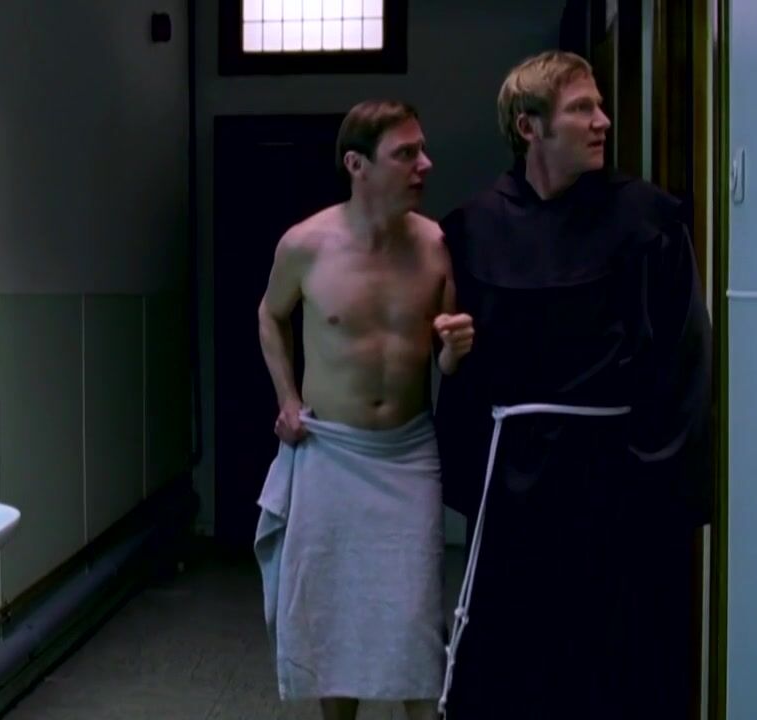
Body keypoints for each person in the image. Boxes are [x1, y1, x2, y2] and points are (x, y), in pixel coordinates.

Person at [433, 50, 713, 719]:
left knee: (615, 662)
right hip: (514, 485)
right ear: (529, 127)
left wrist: (658, 481)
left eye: (600, 106)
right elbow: (462, 377)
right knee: (513, 661)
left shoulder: (648, 220)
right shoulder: (472, 228)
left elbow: (684, 362)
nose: (603, 122)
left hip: (617, 479)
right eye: (582, 108)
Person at [252, 99, 474, 720]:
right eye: (406, 153)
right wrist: (287, 397)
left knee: (415, 616)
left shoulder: (435, 245)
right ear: (357, 164)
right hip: (332, 451)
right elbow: (270, 314)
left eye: (421, 149)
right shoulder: (306, 244)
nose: (425, 164)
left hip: (406, 453)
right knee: (335, 611)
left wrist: (455, 348)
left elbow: (446, 358)